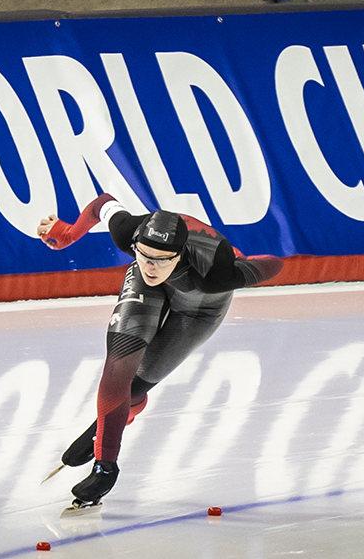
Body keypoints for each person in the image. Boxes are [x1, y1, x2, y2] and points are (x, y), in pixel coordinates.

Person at [37, 193, 283, 509]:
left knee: (141, 381)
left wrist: (245, 267)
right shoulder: (129, 232)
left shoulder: (217, 272)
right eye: (144, 255)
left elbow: (275, 264)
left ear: (179, 255)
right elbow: (103, 204)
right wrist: (66, 234)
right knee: (119, 365)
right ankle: (105, 466)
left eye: (161, 260)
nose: (151, 266)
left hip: (201, 307)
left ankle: (109, 422)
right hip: (151, 291)